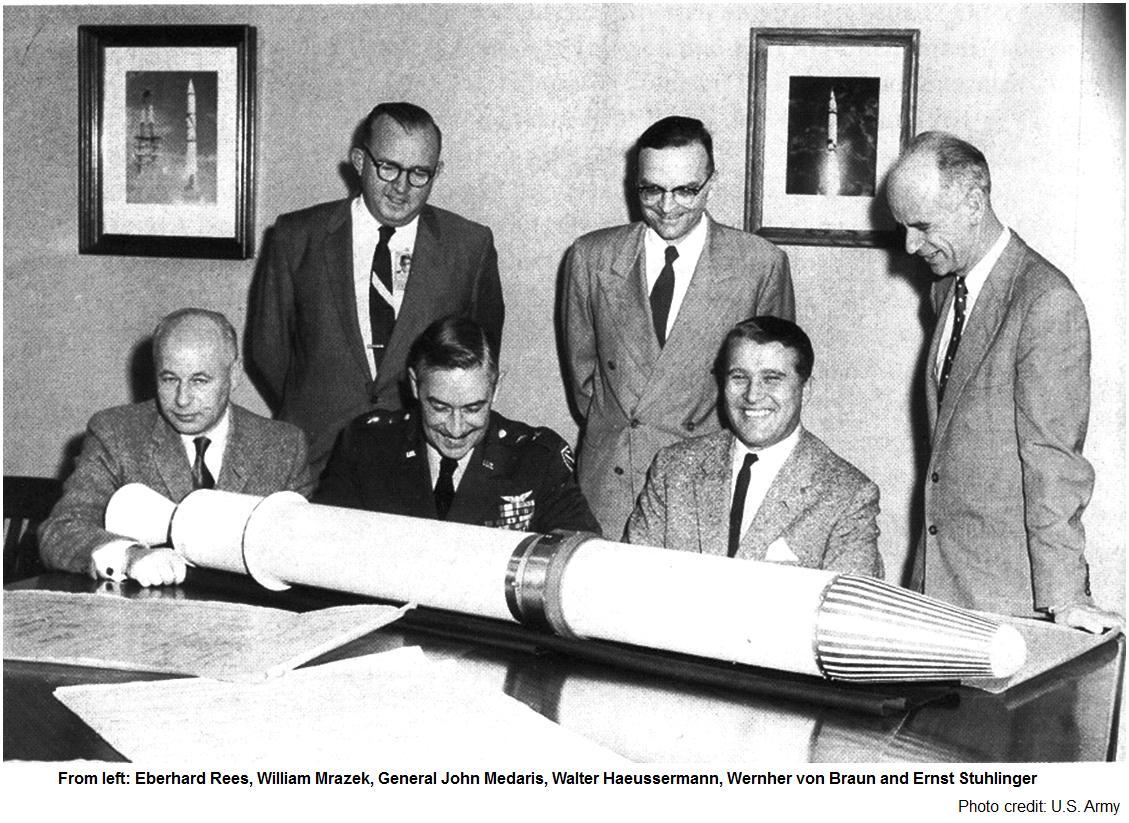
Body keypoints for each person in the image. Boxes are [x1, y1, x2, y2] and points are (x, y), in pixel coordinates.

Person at [886, 131, 1120, 631]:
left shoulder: (1044, 301)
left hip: (1007, 600)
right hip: (937, 585)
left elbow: (1052, 461)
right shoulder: (946, 289)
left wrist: (1066, 596)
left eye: (922, 226)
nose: (909, 245)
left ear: (974, 202)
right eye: (903, 227)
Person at [563, 115, 794, 538]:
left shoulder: (759, 264)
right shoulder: (591, 257)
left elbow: (770, 391)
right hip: (610, 485)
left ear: (712, 182)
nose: (667, 207)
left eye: (686, 190)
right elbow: (585, 385)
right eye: (652, 190)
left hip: (704, 485)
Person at [250, 102, 504, 476]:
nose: (401, 187)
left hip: (421, 465)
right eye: (388, 168)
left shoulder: (469, 246)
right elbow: (268, 350)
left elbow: (480, 357)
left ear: (438, 172)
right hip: (316, 458)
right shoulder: (295, 237)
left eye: (420, 173)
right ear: (359, 161)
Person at [39, 309, 313, 586]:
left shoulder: (283, 446)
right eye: (169, 379)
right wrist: (129, 557)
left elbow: (305, 554)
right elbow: (60, 532)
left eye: (199, 381)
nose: (182, 400)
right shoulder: (116, 433)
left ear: (234, 375)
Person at [627, 316, 882, 576]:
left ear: (806, 390)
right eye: (739, 377)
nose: (752, 395)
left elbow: (846, 612)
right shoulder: (674, 468)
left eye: (771, 379)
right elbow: (633, 580)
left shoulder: (847, 494)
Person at [316, 316, 600, 535]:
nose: (455, 428)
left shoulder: (537, 460)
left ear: (496, 388)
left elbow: (580, 556)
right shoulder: (366, 446)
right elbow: (323, 547)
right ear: (414, 385)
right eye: (439, 407)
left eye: (473, 408)